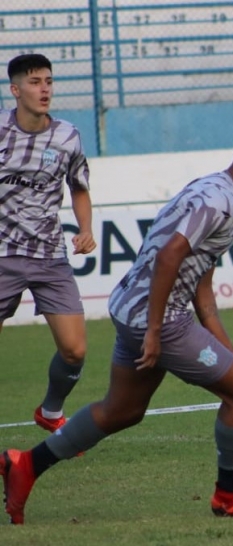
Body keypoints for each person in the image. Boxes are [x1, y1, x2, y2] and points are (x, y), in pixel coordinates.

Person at [0, 122, 233, 524]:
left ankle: (27, 464)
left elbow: (202, 291)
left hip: (132, 310)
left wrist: (232, 355)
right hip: (160, 321)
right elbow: (170, 255)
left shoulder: (212, 190)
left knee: (121, 411)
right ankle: (230, 494)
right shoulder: (220, 203)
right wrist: (155, 331)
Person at [0, 54, 95, 433]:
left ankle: (50, 411)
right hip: (2, 254)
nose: (44, 89)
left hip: (49, 256)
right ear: (15, 90)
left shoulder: (67, 135)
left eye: (49, 81)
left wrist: (85, 227)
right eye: (36, 82)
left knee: (75, 351)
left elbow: (79, 187)